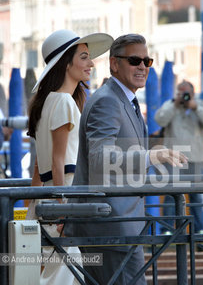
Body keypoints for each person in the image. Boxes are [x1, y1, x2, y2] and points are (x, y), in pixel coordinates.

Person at [66, 34, 188, 285]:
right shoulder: (108, 101)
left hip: (117, 225)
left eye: (147, 60)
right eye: (134, 60)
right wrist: (151, 155)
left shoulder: (121, 99)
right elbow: (100, 157)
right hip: (111, 225)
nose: (142, 66)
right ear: (114, 64)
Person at [26, 29, 113, 285]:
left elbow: (38, 166)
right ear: (66, 63)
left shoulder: (45, 102)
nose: (91, 63)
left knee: (47, 274)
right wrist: (64, 211)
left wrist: (33, 206)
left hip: (47, 200)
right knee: (63, 275)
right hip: (63, 201)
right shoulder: (63, 102)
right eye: (84, 57)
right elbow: (57, 161)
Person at [155, 80, 203, 234]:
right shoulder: (171, 105)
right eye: (180, 92)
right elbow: (160, 120)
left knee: (196, 196)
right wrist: (175, 104)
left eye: (186, 93)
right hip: (173, 159)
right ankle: (167, 230)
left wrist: (195, 108)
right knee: (170, 194)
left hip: (196, 158)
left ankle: (198, 230)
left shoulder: (201, 105)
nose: (184, 96)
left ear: (193, 93)